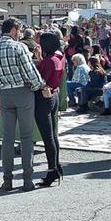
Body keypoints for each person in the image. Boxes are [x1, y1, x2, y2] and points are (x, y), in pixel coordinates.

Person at [0, 18, 45, 192]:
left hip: (4, 94)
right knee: (26, 137)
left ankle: (7, 180)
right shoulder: (19, 47)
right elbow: (30, 72)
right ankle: (27, 180)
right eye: (18, 31)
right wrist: (40, 85)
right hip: (22, 92)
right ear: (13, 30)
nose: (19, 34)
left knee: (7, 139)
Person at [33, 32, 64, 187]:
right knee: (53, 135)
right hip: (54, 95)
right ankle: (56, 166)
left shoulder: (48, 61)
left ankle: (52, 171)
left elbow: (38, 79)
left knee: (47, 137)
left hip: (43, 98)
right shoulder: (59, 58)